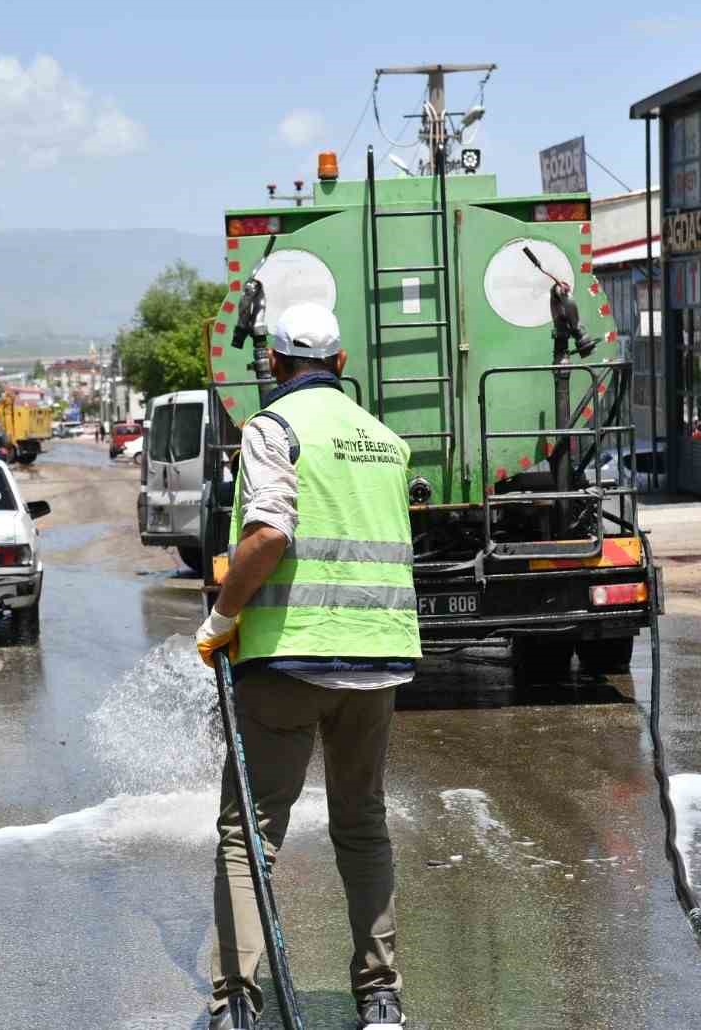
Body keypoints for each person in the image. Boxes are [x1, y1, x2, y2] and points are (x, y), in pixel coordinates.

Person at [195, 301, 420, 1030]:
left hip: (289, 659)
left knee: (248, 833)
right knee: (362, 824)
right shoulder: (386, 441)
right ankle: (379, 995)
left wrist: (223, 614)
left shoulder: (273, 428)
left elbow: (269, 535)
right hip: (379, 660)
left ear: (273, 365)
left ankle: (238, 1001)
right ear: (342, 364)